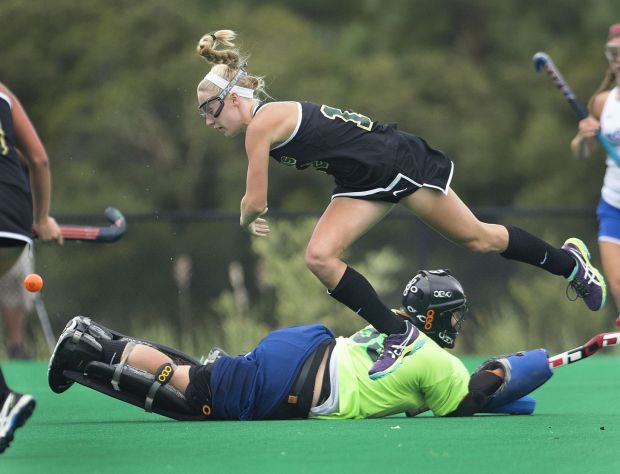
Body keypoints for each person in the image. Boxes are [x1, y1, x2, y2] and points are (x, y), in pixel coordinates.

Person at [194, 30, 606, 380]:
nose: (209, 122)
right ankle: (398, 333)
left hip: (394, 163)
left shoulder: (260, 125)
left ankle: (570, 264)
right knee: (320, 256)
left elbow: (256, 200)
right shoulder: (263, 122)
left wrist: (247, 219)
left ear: (233, 99)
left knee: (479, 238)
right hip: (360, 180)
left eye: (210, 110)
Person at [47, 269, 552, 421]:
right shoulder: (440, 363)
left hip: (309, 349)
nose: (458, 325)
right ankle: (87, 350)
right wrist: (508, 370)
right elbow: (467, 405)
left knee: (209, 379)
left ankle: (101, 340)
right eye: (456, 316)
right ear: (439, 317)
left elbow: (505, 403)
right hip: (303, 380)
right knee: (199, 395)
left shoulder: (397, 323)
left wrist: (504, 382)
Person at [0, 82, 63, 453]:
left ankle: (4, 400)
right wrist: (41, 217)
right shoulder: (3, 91)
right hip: (16, 219)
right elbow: (38, 159)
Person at [570, 23, 620, 323]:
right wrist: (585, 137)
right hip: (613, 204)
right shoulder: (603, 102)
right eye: (613, 52)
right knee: (617, 284)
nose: (618, 58)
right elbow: (580, 151)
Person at [0, 247, 35, 359]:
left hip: (21, 246)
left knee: (22, 299)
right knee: (10, 298)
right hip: (9, 246)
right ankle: (15, 346)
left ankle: (17, 346)